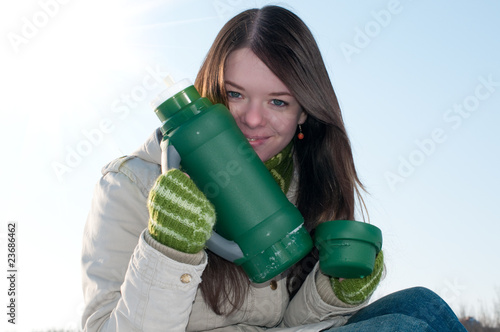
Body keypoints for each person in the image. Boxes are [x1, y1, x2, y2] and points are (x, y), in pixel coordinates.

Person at [81, 5, 466, 332]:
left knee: (423, 306)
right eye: (235, 94)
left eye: (278, 102)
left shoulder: (308, 182)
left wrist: (332, 291)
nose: (252, 119)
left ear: (305, 112)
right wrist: (169, 251)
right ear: (210, 95)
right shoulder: (131, 183)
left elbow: (286, 323)